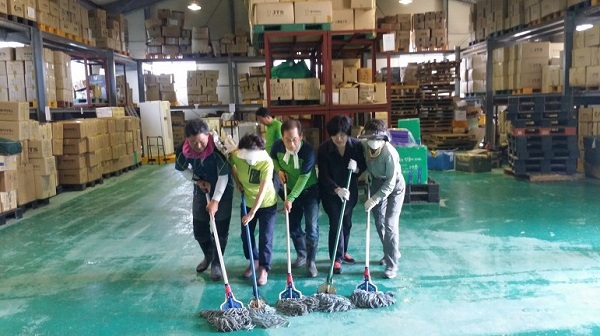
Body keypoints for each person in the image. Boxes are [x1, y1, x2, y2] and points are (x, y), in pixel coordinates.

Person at [174, 119, 234, 281]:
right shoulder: (182, 150)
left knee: (220, 231)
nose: (198, 146)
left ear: (207, 135)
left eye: (201, 141)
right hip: (201, 189)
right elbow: (181, 169)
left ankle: (217, 262)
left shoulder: (218, 147)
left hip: (222, 189)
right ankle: (209, 254)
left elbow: (223, 175)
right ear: (187, 139)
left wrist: (215, 200)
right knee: (199, 229)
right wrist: (197, 181)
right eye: (193, 142)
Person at [270, 119, 320, 277]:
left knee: (311, 228)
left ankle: (311, 262)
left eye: (295, 140)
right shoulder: (277, 147)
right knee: (293, 227)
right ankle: (302, 254)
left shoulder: (309, 151)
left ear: (301, 137)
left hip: (309, 191)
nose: (291, 144)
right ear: (282, 138)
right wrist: (278, 170)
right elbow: (273, 159)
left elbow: (304, 178)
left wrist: (290, 198)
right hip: (290, 190)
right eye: (287, 140)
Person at [317, 115, 367, 275]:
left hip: (349, 191)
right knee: (336, 223)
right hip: (331, 193)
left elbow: (364, 165)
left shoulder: (356, 146)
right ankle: (336, 258)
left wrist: (358, 169)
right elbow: (323, 176)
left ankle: (343, 250)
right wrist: (337, 189)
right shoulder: (324, 149)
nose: (339, 138)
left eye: (343, 134)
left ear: (348, 133)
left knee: (347, 223)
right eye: (335, 135)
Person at [359, 119, 406, 279]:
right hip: (376, 182)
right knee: (379, 222)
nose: (372, 142)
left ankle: (392, 265)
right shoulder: (365, 146)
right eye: (369, 138)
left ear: (383, 138)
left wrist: (374, 199)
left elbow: (390, 183)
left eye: (376, 139)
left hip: (394, 185)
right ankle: (389, 251)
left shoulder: (390, 153)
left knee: (390, 224)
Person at [229, 133, 278, 286]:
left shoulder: (267, 163)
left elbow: (263, 190)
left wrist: (251, 213)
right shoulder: (237, 156)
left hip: (267, 203)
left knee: (265, 237)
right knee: (246, 235)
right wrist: (237, 181)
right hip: (247, 201)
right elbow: (232, 164)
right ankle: (254, 261)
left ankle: (264, 268)